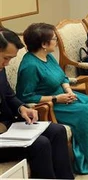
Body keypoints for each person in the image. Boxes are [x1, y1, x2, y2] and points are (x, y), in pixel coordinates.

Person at [15, 23, 88, 175]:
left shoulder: (48, 56)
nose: (56, 41)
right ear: (44, 44)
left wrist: (69, 90)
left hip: (64, 96)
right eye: (53, 39)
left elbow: (62, 77)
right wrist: (56, 99)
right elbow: (25, 97)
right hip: (50, 104)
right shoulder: (30, 66)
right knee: (84, 112)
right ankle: (86, 159)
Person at [0, 27, 74, 179]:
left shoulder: (0, 68)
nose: (7, 64)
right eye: (6, 58)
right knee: (41, 144)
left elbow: (8, 95)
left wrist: (22, 108)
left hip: (8, 125)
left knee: (57, 131)